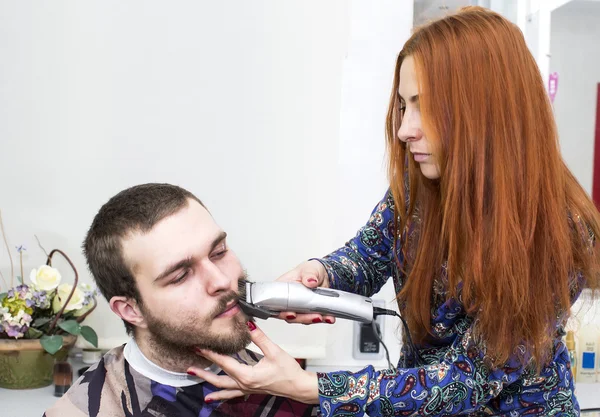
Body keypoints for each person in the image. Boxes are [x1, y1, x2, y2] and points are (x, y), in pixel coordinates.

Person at [187, 6, 600, 417]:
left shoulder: (561, 230)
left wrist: (310, 387)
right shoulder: (419, 185)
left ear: (488, 111)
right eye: (404, 106)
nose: (405, 130)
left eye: (426, 106)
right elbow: (368, 255)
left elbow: (465, 380)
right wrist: (321, 274)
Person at [44, 183, 319, 417]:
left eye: (219, 252)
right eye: (179, 276)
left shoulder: (287, 385)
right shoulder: (86, 408)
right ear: (130, 309)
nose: (222, 281)